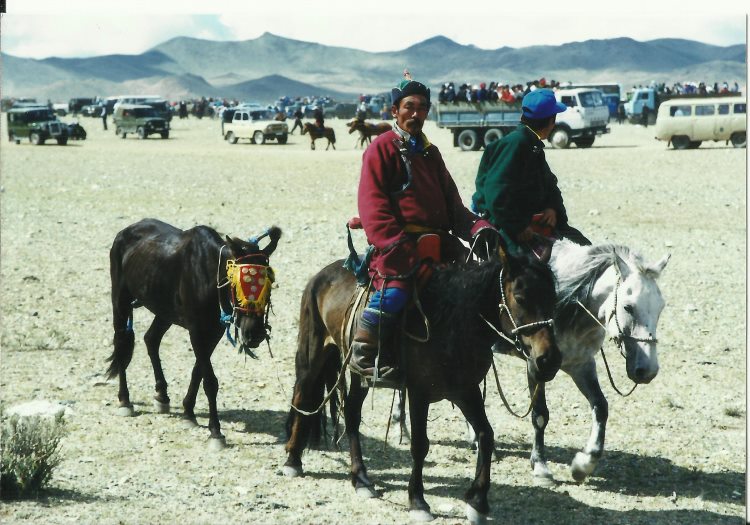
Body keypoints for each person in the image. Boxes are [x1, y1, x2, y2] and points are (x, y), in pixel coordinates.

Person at [350, 71, 495, 381]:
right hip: (398, 247)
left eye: (423, 108)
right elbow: (372, 205)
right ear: (394, 111)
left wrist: (479, 227)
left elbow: (454, 207)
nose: (416, 114)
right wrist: (395, 243)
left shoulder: (430, 153)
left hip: (438, 247)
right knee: (397, 292)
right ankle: (364, 350)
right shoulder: (381, 149)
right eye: (409, 107)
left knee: (475, 289)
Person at [472, 89, 590, 258]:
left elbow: (549, 184)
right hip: (506, 225)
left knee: (585, 250)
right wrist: (518, 227)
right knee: (529, 273)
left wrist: (552, 208)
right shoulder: (515, 144)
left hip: (535, 221)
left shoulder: (532, 144)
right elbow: (496, 195)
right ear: (551, 120)